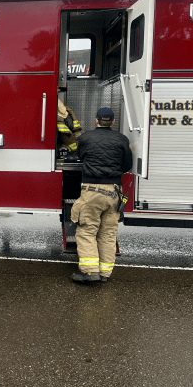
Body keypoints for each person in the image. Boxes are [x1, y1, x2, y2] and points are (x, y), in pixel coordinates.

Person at [71, 107, 133, 284]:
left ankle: (90, 272)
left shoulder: (86, 137)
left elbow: (80, 156)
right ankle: (105, 273)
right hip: (114, 192)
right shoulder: (122, 139)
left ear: (96, 121)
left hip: (92, 192)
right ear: (113, 122)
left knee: (86, 231)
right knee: (107, 234)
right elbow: (127, 166)